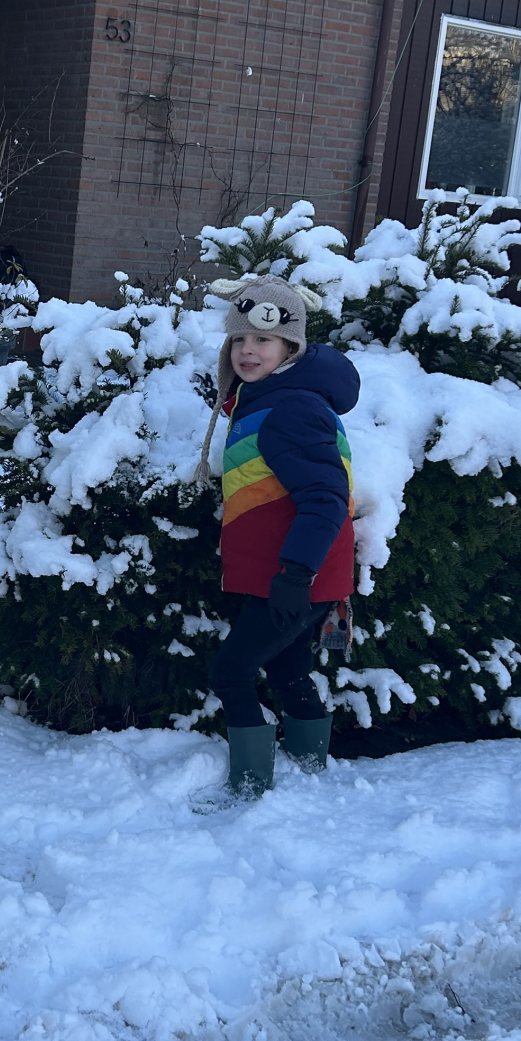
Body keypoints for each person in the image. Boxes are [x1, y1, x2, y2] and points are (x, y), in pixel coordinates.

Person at [194, 275, 359, 796]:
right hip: (296, 573)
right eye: (239, 339)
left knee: (231, 672)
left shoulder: (290, 408)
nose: (247, 350)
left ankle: (249, 785)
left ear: (290, 346)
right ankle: (310, 769)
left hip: (295, 576)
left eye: (263, 339)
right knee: (287, 669)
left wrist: (294, 575)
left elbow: (325, 498)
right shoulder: (270, 397)